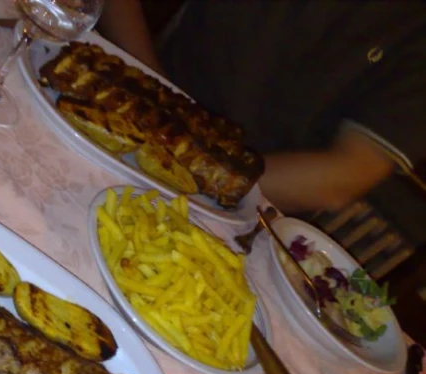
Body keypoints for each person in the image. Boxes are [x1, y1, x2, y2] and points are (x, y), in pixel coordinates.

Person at [97, 0, 426, 215]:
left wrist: (183, 168)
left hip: (231, 208)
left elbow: (342, 178)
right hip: (122, 100)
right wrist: (148, 85)